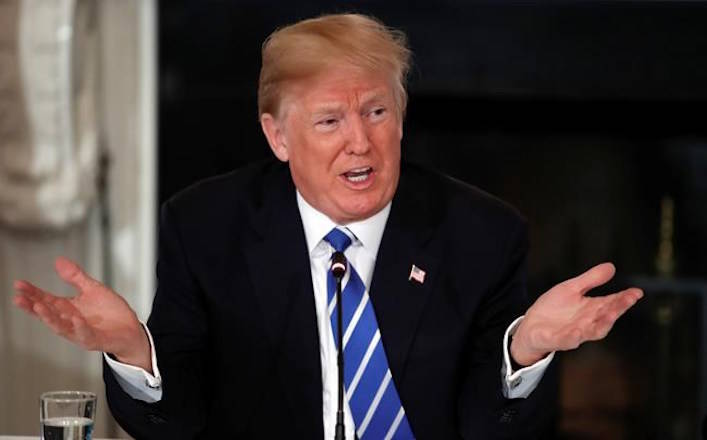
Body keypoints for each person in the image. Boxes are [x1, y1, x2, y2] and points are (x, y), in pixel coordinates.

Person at [12, 13, 642, 440]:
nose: (360, 143)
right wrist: (134, 350)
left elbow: (485, 425)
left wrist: (525, 346)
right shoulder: (207, 226)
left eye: (376, 111)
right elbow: (178, 421)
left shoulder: (480, 233)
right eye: (330, 121)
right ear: (277, 135)